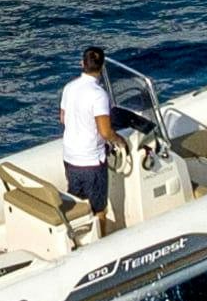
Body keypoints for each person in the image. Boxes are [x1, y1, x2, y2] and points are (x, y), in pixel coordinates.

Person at [58, 42, 146, 236]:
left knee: (77, 200)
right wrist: (119, 141)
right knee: (99, 209)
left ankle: (78, 236)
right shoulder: (98, 95)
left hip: (71, 156)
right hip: (91, 161)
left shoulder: (69, 88)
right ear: (103, 67)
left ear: (82, 64)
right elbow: (105, 132)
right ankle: (102, 239)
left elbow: (63, 118)